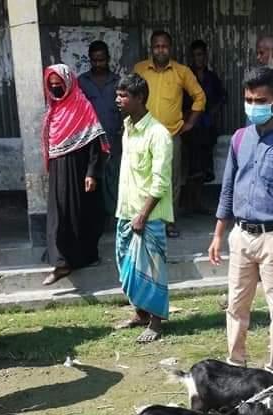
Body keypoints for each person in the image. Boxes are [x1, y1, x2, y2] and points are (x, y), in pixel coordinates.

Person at [209, 66, 273, 375]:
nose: (254, 105)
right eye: (249, 99)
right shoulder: (240, 139)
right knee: (237, 306)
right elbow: (228, 188)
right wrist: (218, 234)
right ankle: (235, 364)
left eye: (260, 99)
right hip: (241, 236)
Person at [114, 73, 173, 344]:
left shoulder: (158, 134)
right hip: (126, 211)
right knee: (126, 266)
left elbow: (160, 182)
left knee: (152, 271)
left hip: (147, 216)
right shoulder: (128, 127)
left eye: (123, 95)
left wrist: (143, 214)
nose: (118, 100)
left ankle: (156, 322)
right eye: (118, 94)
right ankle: (139, 313)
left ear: (139, 98)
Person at [41, 64, 109, 285]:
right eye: (52, 86)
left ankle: (82, 258)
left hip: (80, 173)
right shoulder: (53, 110)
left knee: (81, 216)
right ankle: (60, 262)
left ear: (68, 83)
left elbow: (94, 144)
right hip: (59, 172)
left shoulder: (82, 106)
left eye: (59, 85)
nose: (56, 89)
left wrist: (92, 173)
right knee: (58, 216)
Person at [133, 30, 206, 238]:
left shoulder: (181, 71)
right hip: (143, 135)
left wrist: (190, 122)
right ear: (151, 48)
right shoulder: (139, 69)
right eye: (157, 46)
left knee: (170, 180)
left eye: (164, 46)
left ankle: (169, 222)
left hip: (170, 135)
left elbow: (199, 97)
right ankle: (145, 219)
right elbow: (129, 95)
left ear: (170, 48)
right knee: (145, 177)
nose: (160, 50)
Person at [79, 41, 123, 220]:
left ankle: (114, 218)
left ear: (108, 59)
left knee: (113, 179)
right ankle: (97, 220)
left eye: (102, 60)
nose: (98, 64)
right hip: (90, 142)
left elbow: (124, 109)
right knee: (93, 179)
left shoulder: (117, 81)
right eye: (95, 60)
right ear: (90, 60)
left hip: (113, 139)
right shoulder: (82, 82)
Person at [181, 39, 225, 214]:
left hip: (206, 127)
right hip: (190, 127)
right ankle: (187, 203)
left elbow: (222, 96)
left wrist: (213, 112)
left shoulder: (212, 77)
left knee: (203, 167)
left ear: (206, 56)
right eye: (195, 55)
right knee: (191, 165)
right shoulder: (185, 75)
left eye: (201, 55)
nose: (198, 58)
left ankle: (196, 203)